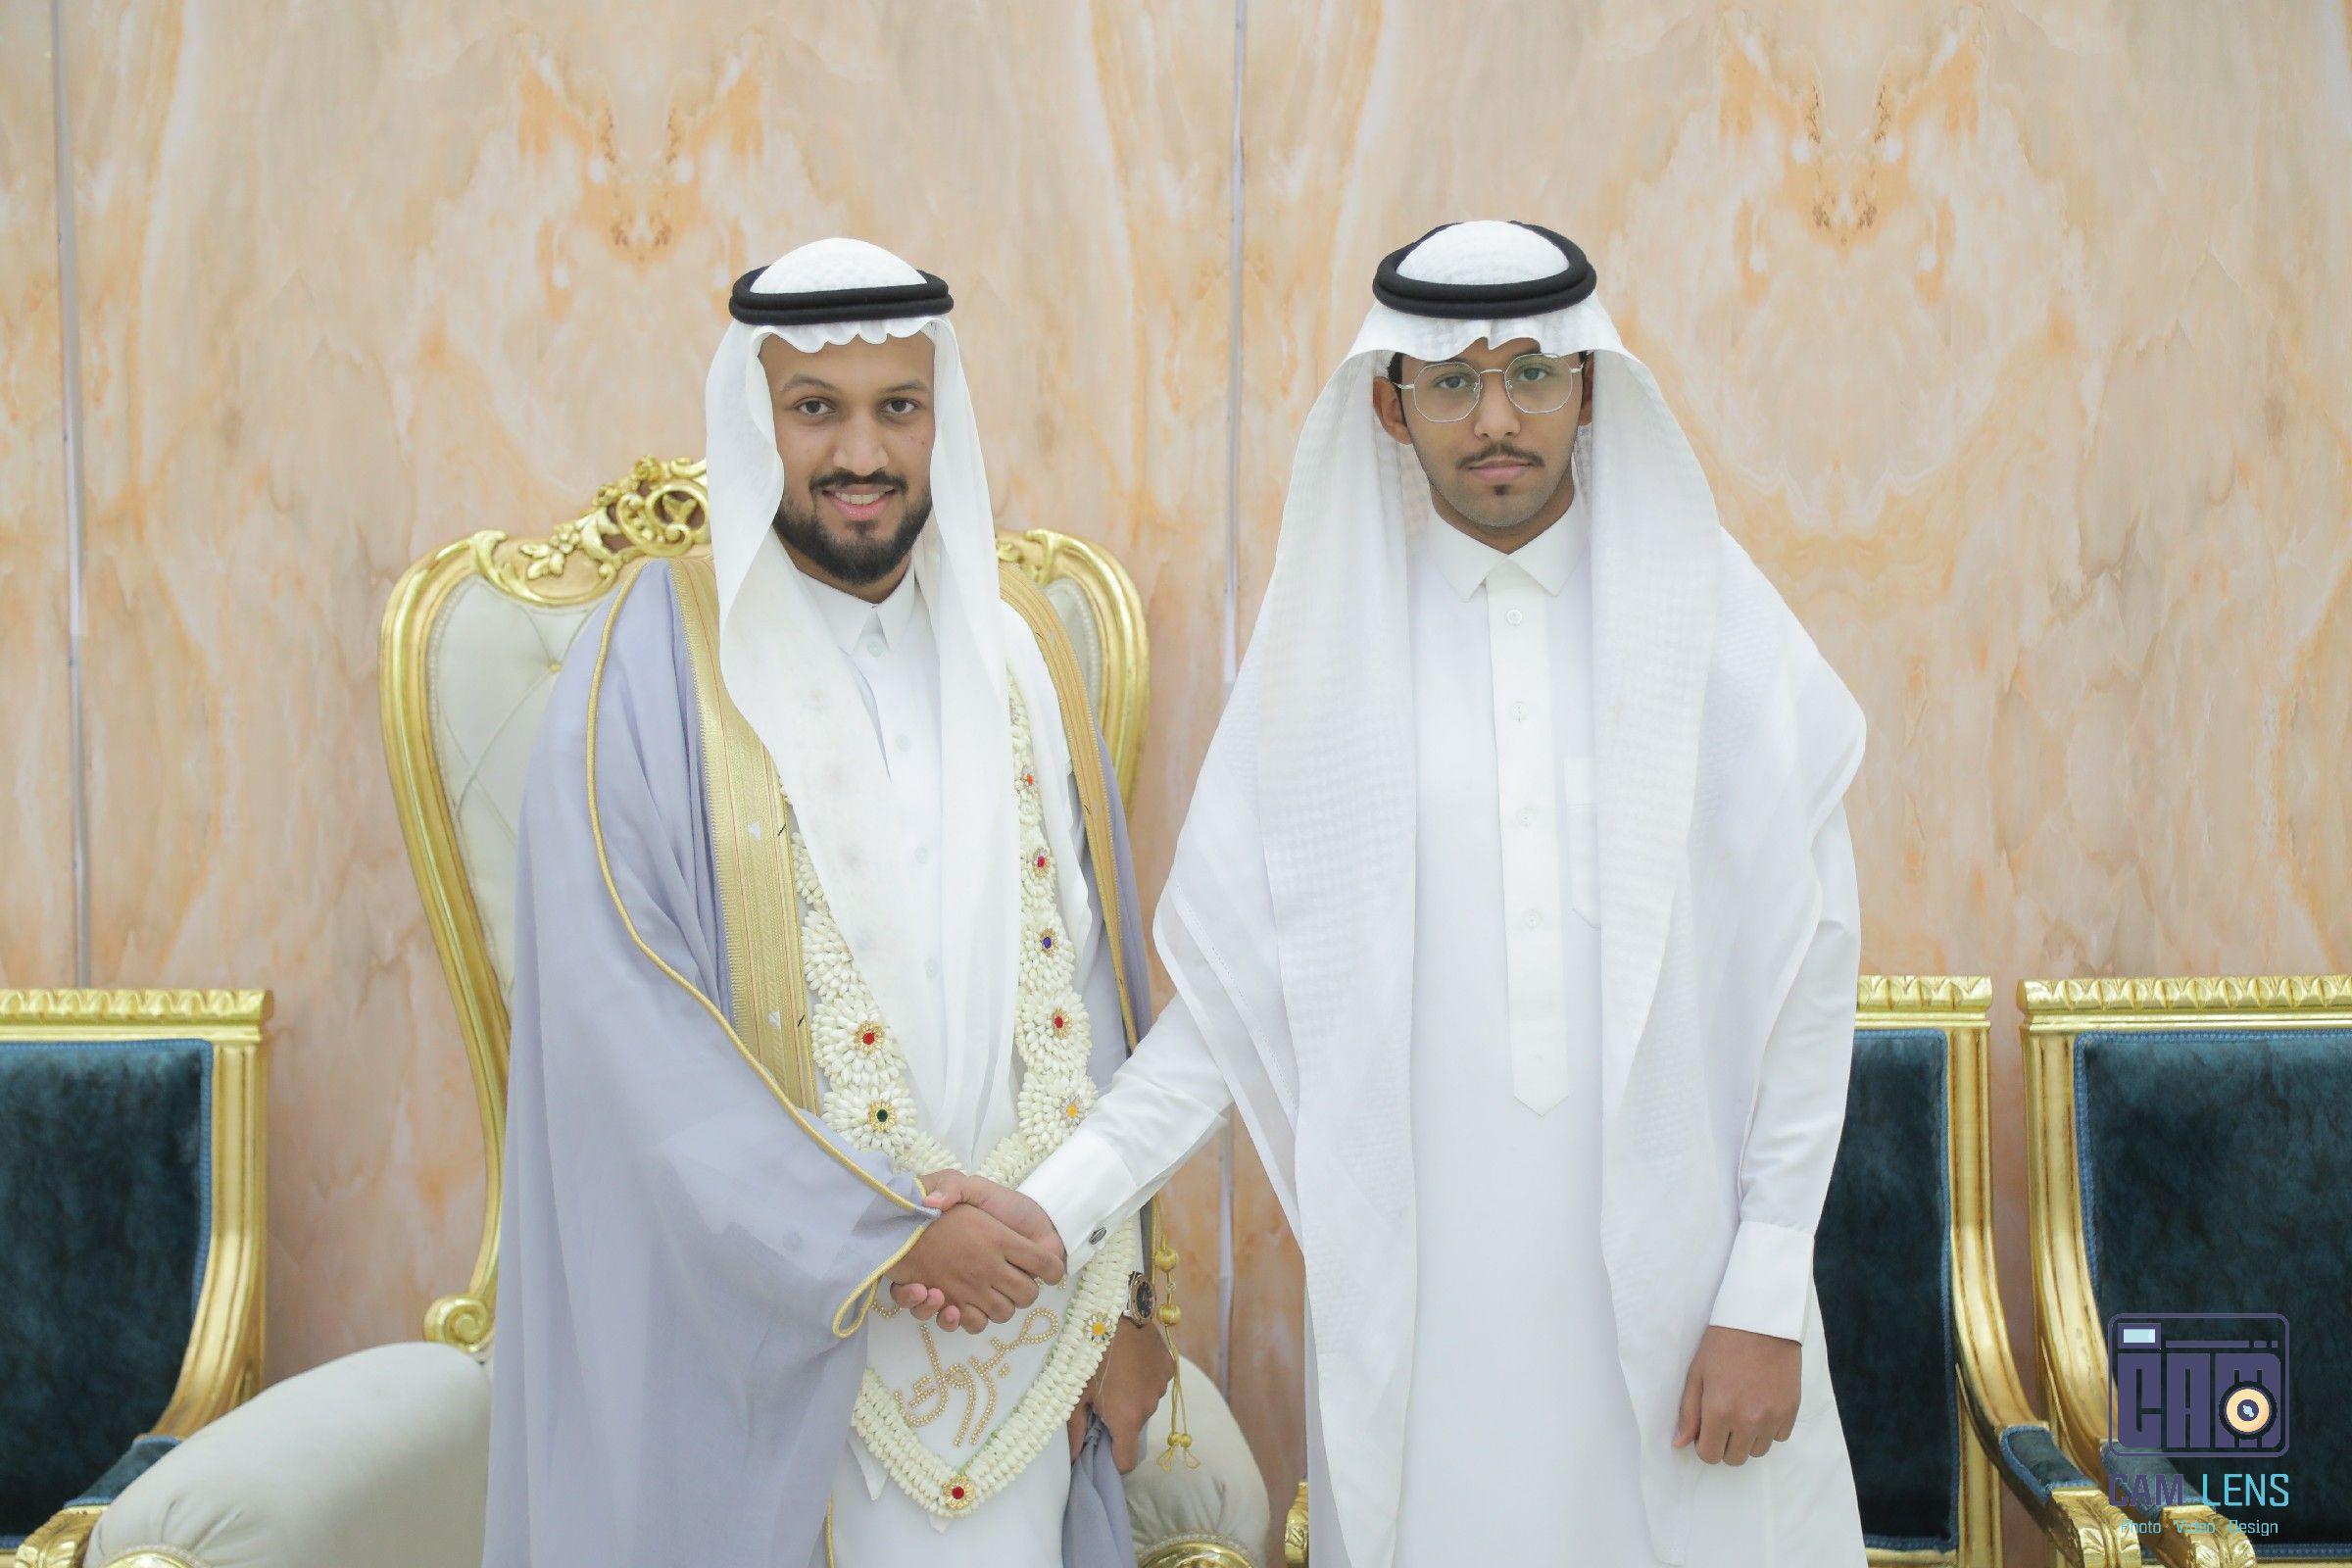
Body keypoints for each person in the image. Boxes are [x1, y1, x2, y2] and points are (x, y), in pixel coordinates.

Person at [896, 219, 1871, 1566]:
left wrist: (1764, 1282)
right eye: (1452, 381)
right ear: (1389, 404)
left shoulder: (1711, 625)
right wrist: (1053, 1212)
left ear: (1591, 387)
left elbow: (1812, 977)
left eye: (1532, 373)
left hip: (1687, 1306)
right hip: (1429, 1320)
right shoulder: (1329, 660)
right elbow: (1231, 1018)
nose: (1496, 418)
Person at [482, 237, 1171, 1568]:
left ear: (939, 418)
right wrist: (887, 1239)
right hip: (761, 1342)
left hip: (1032, 1328)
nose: (862, 452)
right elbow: (625, 1036)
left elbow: (1089, 995)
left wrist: (1122, 1304)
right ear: (758, 424)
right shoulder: (650, 665)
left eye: (897, 407)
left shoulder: (1022, 648)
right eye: (816, 408)